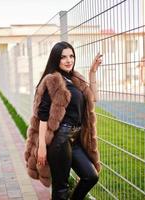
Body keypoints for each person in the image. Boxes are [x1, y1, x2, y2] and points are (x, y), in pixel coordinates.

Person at [24, 41, 102, 200]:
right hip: (60, 139)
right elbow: (43, 116)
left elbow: (94, 98)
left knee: (90, 176)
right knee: (61, 188)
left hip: (76, 139)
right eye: (63, 57)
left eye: (71, 56)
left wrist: (92, 73)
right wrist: (42, 148)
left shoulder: (74, 78)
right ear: (56, 60)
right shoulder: (52, 80)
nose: (69, 60)